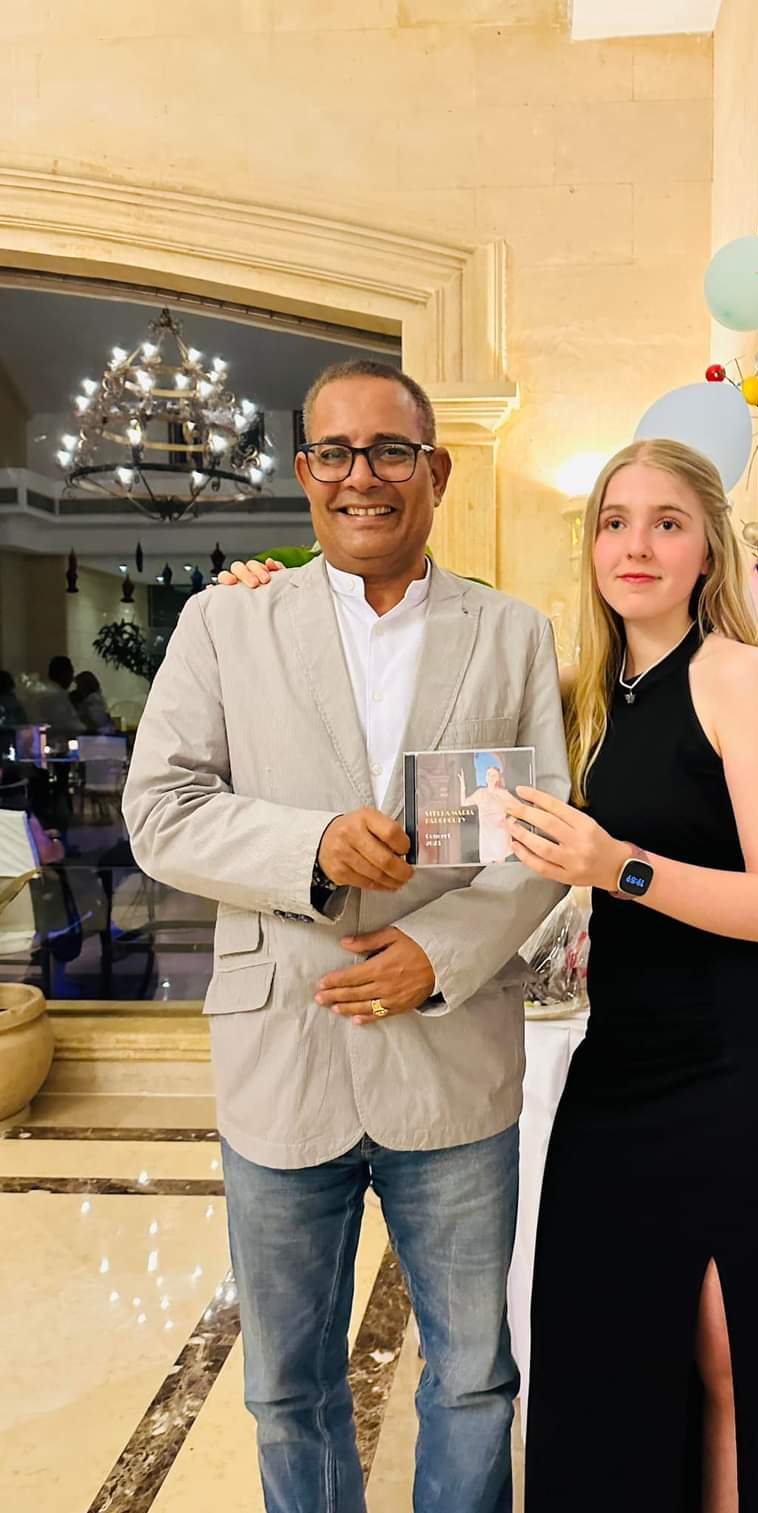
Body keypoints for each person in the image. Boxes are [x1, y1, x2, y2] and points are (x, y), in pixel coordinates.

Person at [123, 358, 569, 1513]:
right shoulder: (227, 621)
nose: (361, 475)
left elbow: (539, 833)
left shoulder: (512, 634)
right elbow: (160, 810)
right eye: (335, 451)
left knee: (473, 1379)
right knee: (286, 1388)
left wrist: (442, 953)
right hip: (283, 1053)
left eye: (390, 451)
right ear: (304, 470)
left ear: (437, 471)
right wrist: (311, 847)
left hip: (453, 1057)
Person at [505, 439, 758, 1512]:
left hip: (743, 1060)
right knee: (616, 1352)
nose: (638, 544)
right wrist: (268, 586)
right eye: (615, 521)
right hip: (622, 1062)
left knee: (733, 1354)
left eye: (667, 522)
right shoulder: (582, 699)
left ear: (708, 548)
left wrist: (620, 865)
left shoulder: (738, 676)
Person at [458, 752, 514, 864]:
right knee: (485, 865)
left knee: (500, 865)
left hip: (500, 836)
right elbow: (464, 803)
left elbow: (519, 808)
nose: (490, 777)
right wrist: (462, 785)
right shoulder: (480, 793)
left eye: (493, 775)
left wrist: (510, 821)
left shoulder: (503, 793)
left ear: (498, 778)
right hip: (486, 836)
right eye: (488, 774)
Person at [37, 655, 83, 738]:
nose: (72, 679)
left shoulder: (47, 692)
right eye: (71, 674)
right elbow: (67, 725)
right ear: (63, 674)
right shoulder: (56, 696)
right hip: (60, 740)